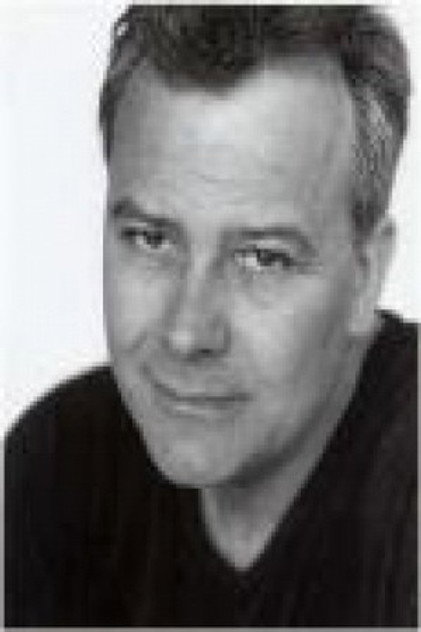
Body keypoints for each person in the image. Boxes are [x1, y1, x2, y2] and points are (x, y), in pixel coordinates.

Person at [5, 5, 417, 627]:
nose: (187, 332)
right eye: (151, 239)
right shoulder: (56, 464)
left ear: (365, 275)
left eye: (263, 258)